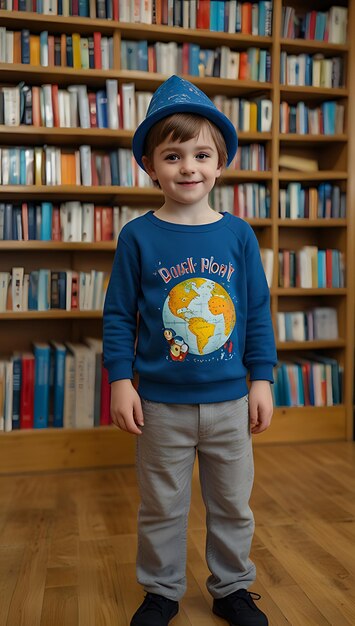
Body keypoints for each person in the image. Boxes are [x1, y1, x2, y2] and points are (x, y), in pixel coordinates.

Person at [103, 75, 277, 626]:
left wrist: (262, 379)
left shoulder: (239, 235)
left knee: (232, 506)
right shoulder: (137, 237)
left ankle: (231, 589)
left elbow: (254, 313)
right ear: (150, 166)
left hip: (229, 404)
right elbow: (117, 316)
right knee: (161, 507)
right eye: (173, 155)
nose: (188, 167)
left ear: (219, 163)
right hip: (160, 406)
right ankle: (160, 592)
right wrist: (120, 380)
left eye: (202, 154)